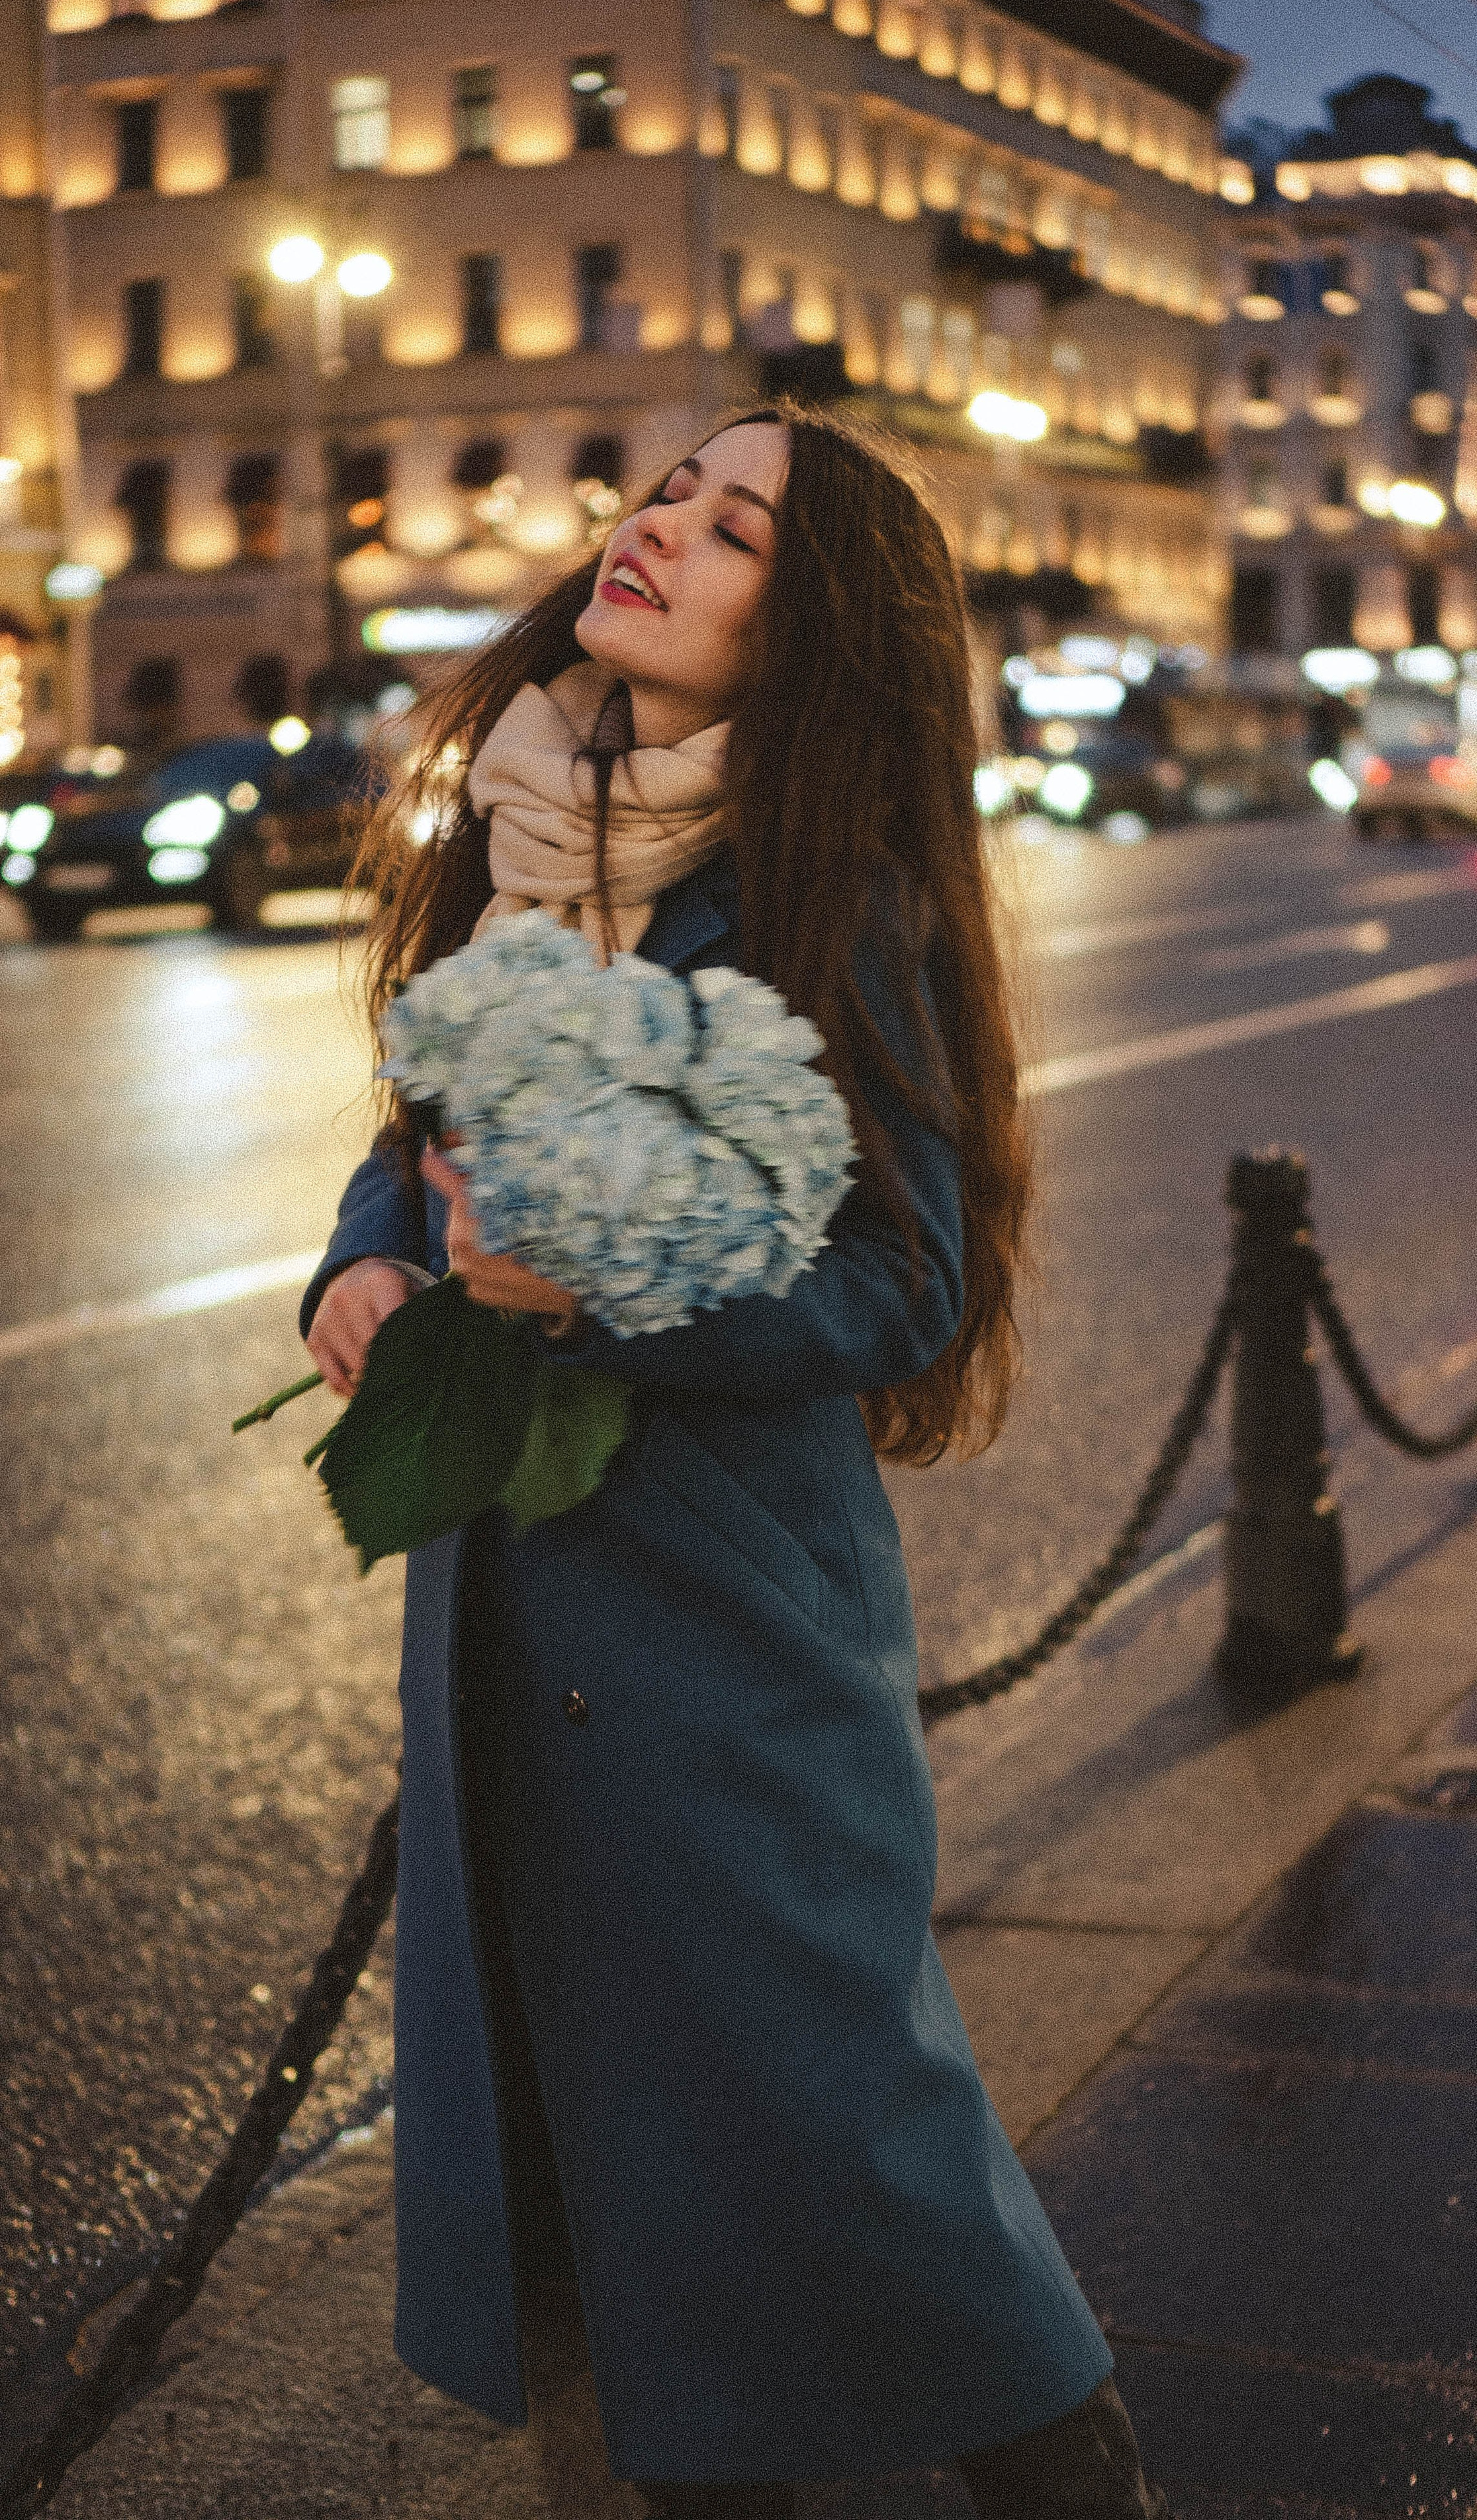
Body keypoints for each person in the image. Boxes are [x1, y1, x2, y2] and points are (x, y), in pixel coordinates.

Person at [302, 403, 1167, 2520]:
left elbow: (902, 1286)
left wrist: (595, 1290)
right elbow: (419, 1137)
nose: (661, 528)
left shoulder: (829, 892)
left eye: (736, 524)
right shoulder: (520, 830)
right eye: (664, 491)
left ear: (820, 630)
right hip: (514, 1622)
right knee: (618, 2196)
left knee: (864, 2147)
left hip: (728, 1636)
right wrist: (359, 1268)